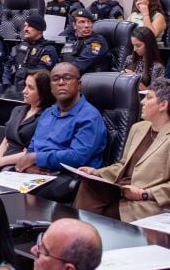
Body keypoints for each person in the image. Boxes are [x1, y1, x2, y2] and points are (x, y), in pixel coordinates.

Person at [79, 78, 170, 222]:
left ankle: (82, 235)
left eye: (148, 98)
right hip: (121, 190)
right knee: (89, 185)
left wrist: (143, 194)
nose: (142, 102)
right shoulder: (138, 128)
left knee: (99, 217)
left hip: (144, 201)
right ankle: (75, 234)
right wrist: (96, 172)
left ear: (163, 105)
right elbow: (123, 165)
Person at [8, 63, 107, 202]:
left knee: (17, 197)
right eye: (55, 79)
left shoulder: (89, 117)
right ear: (50, 86)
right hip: (39, 173)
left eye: (67, 78)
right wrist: (29, 166)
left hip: (70, 177)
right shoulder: (48, 113)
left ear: (78, 84)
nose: (61, 82)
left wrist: (37, 158)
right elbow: (33, 147)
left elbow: (77, 157)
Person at [0, 70, 50, 167]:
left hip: (24, 166)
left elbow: (35, 152)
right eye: (25, 85)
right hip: (2, 162)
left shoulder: (48, 117)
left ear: (43, 92)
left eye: (30, 88)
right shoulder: (17, 110)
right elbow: (6, 140)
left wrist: (0, 162)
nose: (24, 91)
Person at [3, 14, 59, 89]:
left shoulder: (48, 49)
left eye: (29, 26)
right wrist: (6, 85)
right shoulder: (19, 47)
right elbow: (7, 66)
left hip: (34, 91)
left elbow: (41, 75)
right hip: (13, 90)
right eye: (25, 26)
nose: (25, 29)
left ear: (39, 29)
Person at [60, 10, 112, 74]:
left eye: (89, 22)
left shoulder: (97, 42)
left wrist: (60, 73)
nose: (87, 25)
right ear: (74, 25)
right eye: (82, 22)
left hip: (92, 79)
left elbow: (81, 63)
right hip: (72, 76)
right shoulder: (72, 41)